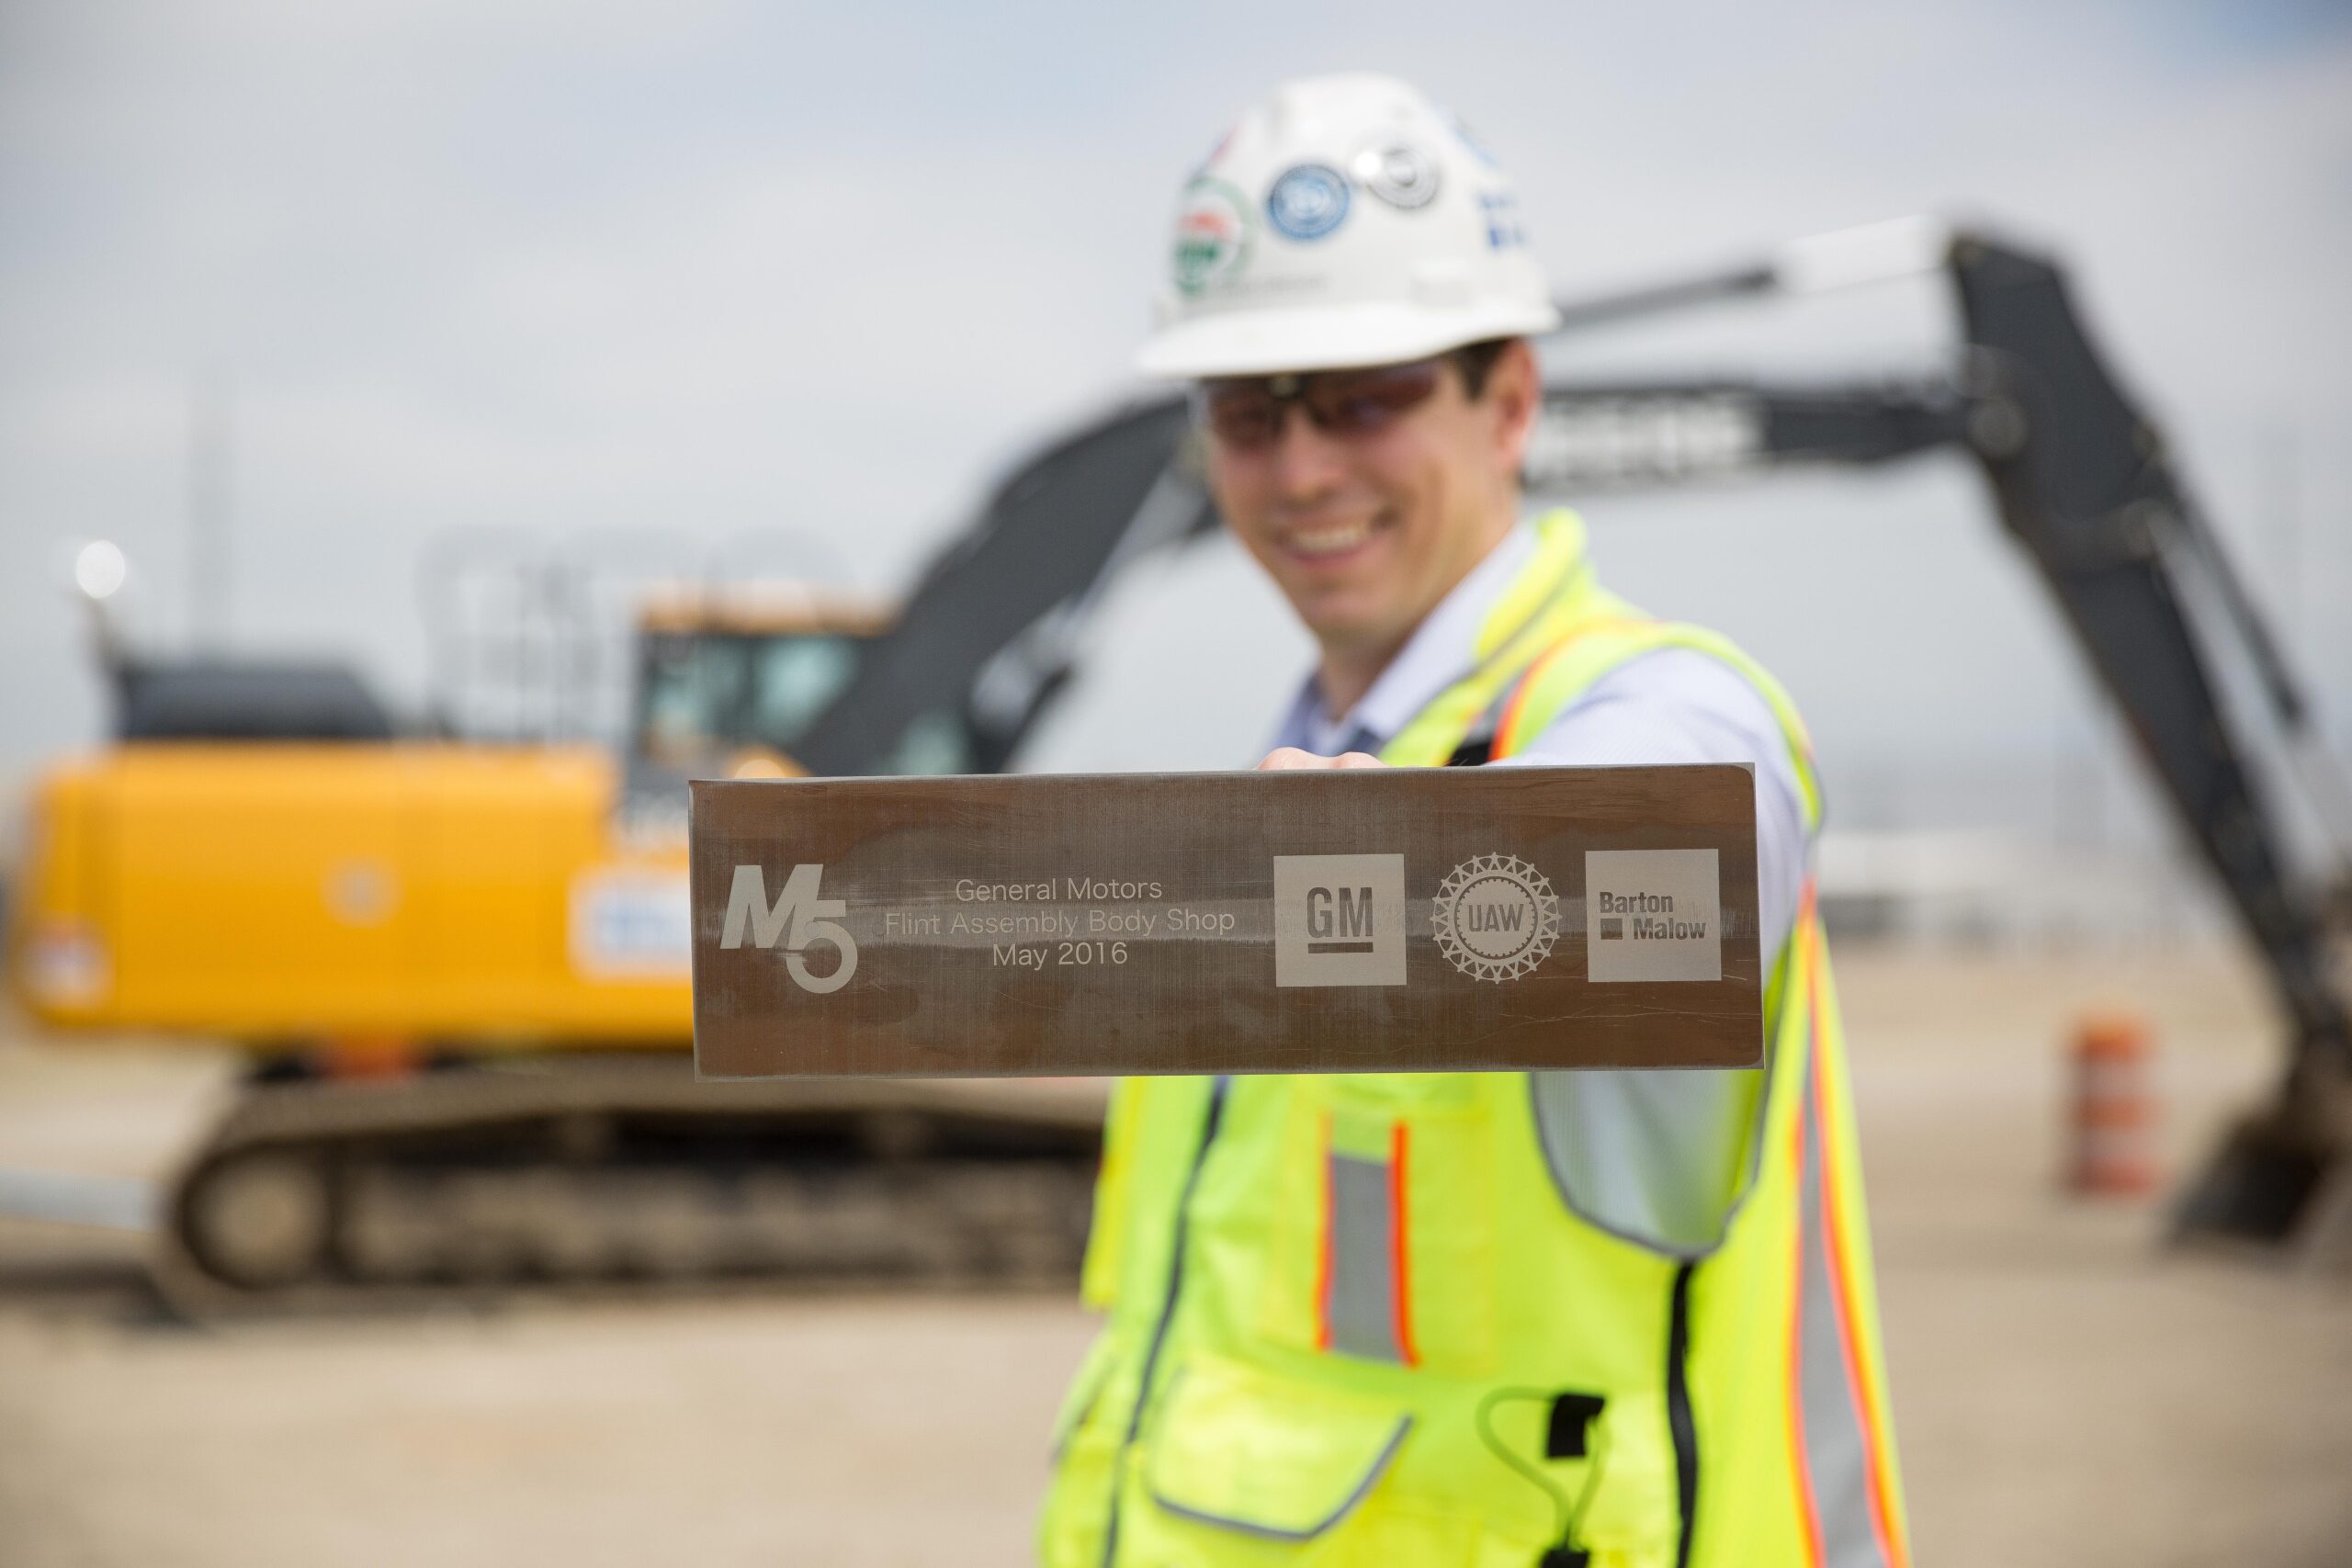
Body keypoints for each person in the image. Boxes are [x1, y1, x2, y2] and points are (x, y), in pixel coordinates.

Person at [1040, 74, 1908, 1568]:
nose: (1305, 470)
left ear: (1510, 401)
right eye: (1253, 415)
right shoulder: (1275, 793)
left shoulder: (1653, 708)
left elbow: (1678, 848)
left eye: (1367, 398)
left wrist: (1462, 877)